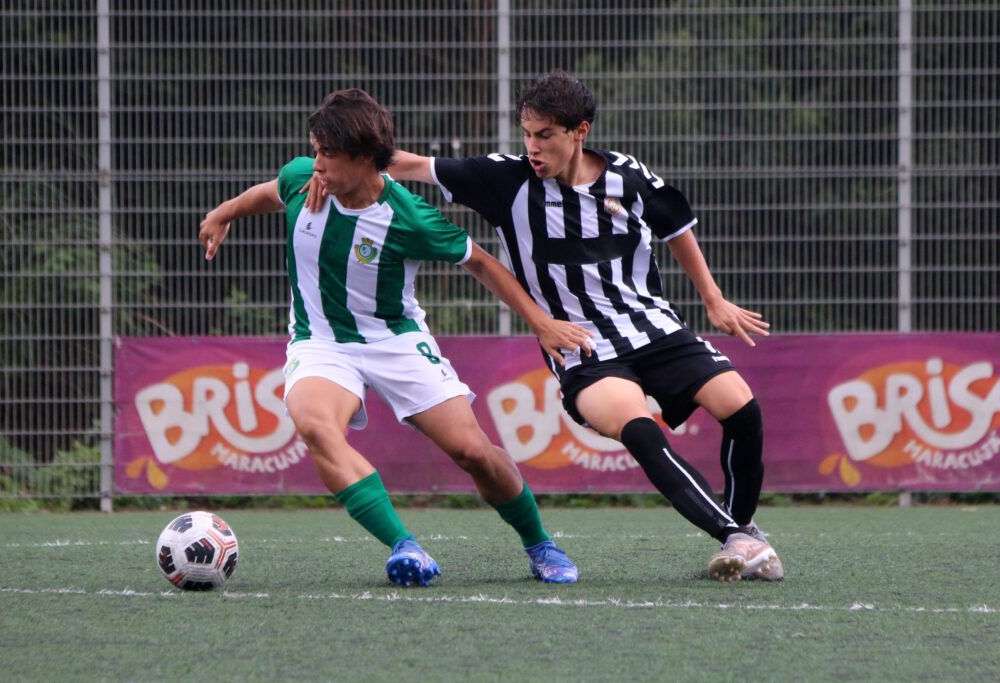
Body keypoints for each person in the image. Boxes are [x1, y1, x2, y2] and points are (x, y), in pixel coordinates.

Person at [307, 72, 784, 582]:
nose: (532, 147)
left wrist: (713, 299)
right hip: (583, 347)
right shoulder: (505, 179)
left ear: (580, 131)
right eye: (527, 134)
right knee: (639, 429)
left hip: (655, 328)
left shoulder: (627, 175)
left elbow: (676, 227)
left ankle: (743, 530)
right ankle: (734, 537)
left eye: (545, 135)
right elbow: (402, 162)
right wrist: (330, 168)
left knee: (742, 409)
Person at [198, 88, 593, 587]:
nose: (315, 164)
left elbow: (480, 262)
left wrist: (540, 322)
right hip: (320, 342)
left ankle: (540, 545)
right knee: (316, 427)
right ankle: (406, 547)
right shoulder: (306, 179)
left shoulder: (408, 217)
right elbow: (269, 191)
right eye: (315, 151)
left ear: (364, 157)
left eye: (327, 154)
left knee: (472, 451)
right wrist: (224, 213)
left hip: (396, 341)